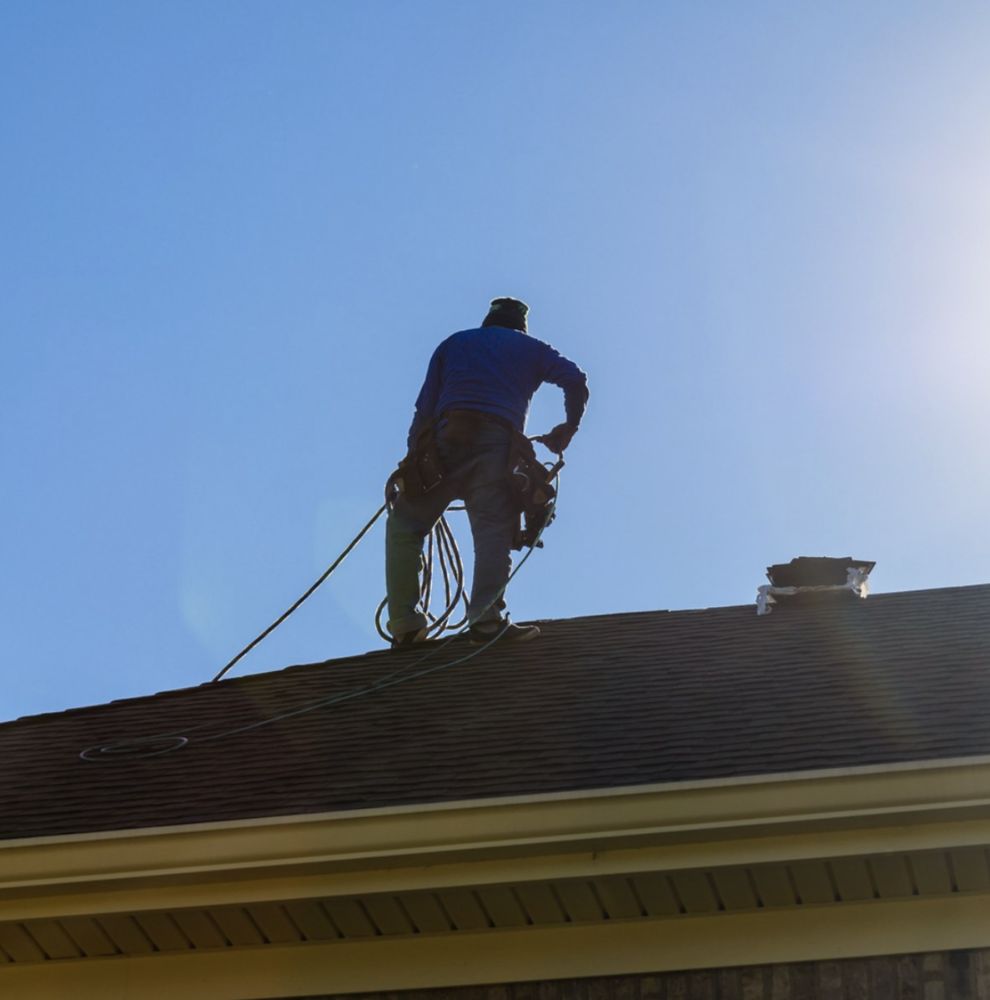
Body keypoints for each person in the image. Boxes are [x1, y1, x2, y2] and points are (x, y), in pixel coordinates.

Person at [385, 296, 589, 646]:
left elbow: (424, 408)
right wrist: (567, 428)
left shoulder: (455, 343)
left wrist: (411, 461)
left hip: (445, 440)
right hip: (496, 445)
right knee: (493, 530)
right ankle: (485, 620)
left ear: (487, 322)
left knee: (404, 525)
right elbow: (576, 379)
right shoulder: (531, 349)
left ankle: (405, 624)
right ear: (520, 326)